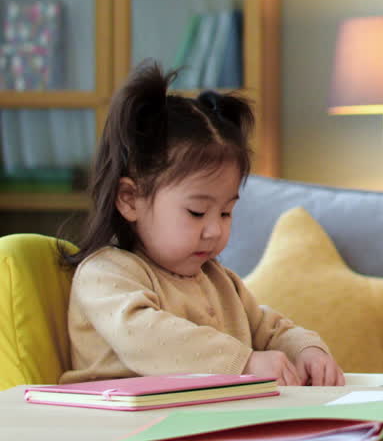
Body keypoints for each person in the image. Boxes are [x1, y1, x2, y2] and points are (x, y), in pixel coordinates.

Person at [60, 61, 344, 386]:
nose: (215, 231)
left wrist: (305, 350)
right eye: (196, 212)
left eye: (225, 213)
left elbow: (268, 327)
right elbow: (149, 337)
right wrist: (244, 362)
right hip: (117, 415)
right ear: (130, 199)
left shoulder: (218, 280)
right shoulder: (105, 274)